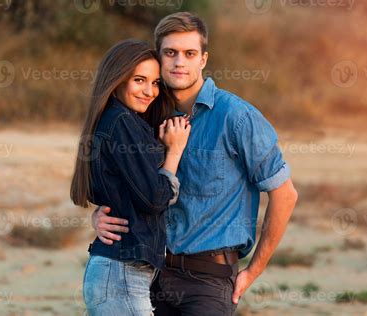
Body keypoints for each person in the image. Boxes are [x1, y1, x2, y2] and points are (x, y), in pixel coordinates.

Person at [93, 12, 298, 315]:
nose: (179, 62)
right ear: (158, 58)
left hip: (208, 281)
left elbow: (285, 194)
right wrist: (101, 214)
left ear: (203, 59)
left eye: (189, 54)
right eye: (170, 53)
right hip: (149, 274)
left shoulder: (237, 118)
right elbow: (134, 186)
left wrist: (253, 271)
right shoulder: (145, 115)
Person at [70, 39, 191, 315]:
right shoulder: (121, 122)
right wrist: (174, 153)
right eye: (139, 80)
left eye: (156, 82)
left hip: (119, 273)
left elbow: (115, 191)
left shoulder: (123, 121)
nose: (149, 91)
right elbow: (155, 197)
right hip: (121, 275)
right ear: (117, 79)